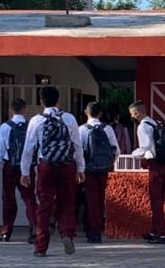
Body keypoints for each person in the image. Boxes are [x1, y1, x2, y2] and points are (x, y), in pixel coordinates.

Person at [20, 86, 85, 256]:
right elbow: (77, 145)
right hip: (66, 165)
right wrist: (81, 167)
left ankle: (41, 246)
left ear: (41, 101)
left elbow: (29, 148)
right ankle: (67, 233)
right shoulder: (69, 118)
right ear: (58, 100)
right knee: (67, 202)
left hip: (46, 166)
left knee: (44, 205)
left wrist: (25, 172)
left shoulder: (36, 120)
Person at [0, 98, 37, 243]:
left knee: (8, 198)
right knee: (29, 199)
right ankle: (34, 228)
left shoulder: (5, 127)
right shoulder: (30, 126)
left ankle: (6, 231)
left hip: (10, 166)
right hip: (27, 167)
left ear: (11, 110)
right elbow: (35, 147)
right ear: (25, 110)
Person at [78, 101, 119, 243]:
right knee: (100, 199)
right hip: (103, 169)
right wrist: (109, 164)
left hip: (88, 169)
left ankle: (92, 231)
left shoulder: (82, 129)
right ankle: (99, 228)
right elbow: (116, 149)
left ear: (85, 112)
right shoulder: (107, 129)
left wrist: (80, 169)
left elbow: (78, 151)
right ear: (100, 114)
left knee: (90, 200)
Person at [130, 99, 165, 244]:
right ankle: (155, 231)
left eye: (132, 114)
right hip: (164, 164)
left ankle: (161, 233)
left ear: (138, 113)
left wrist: (134, 154)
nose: (132, 117)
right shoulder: (154, 123)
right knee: (159, 198)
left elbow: (145, 146)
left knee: (156, 200)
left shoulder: (142, 126)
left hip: (155, 164)